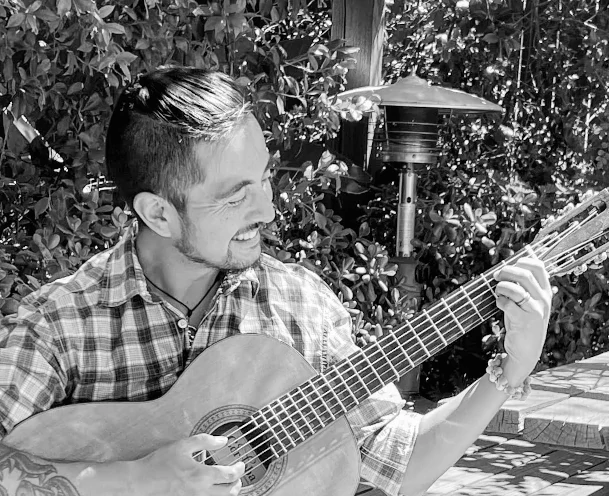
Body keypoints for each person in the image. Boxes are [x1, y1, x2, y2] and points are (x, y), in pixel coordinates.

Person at [0, 66, 552, 496]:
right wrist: (139, 478)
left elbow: (397, 464)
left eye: (264, 177)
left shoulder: (299, 305)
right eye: (236, 194)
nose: (266, 208)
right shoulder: (60, 324)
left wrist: (507, 372)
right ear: (159, 214)